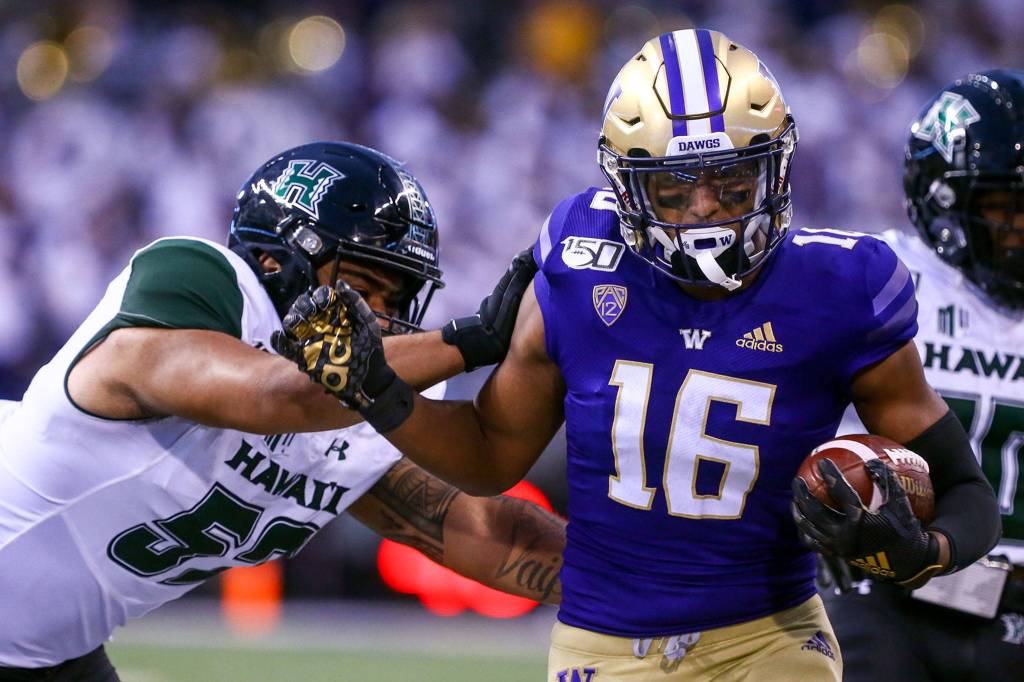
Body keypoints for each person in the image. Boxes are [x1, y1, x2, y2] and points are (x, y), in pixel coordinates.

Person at [276, 30, 1003, 681]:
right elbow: (491, 456)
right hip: (604, 646)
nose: (708, 210)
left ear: (776, 172)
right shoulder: (579, 261)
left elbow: (969, 493)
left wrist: (926, 551)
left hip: (771, 640)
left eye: (731, 181)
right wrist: (379, 391)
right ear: (625, 186)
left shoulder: (842, 288)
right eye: (675, 188)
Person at [0, 141, 565, 680]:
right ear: (274, 261)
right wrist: (465, 343)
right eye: (364, 287)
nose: (381, 320)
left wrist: (640, 580)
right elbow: (275, 393)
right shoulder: (195, 283)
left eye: (398, 301)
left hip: (48, 649)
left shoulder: (360, 396)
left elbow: (472, 525)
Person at [820, 70, 1024, 681]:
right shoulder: (880, 280)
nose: (1020, 227)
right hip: (882, 594)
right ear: (942, 200)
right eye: (1002, 206)